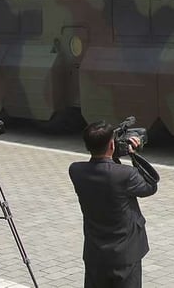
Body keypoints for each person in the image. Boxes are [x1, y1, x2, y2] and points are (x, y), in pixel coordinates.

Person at [69, 121, 159, 288]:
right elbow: (151, 186)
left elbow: (108, 172)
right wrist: (133, 154)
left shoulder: (75, 170)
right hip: (125, 256)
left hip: (95, 254)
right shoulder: (126, 175)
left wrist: (113, 155)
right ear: (112, 144)